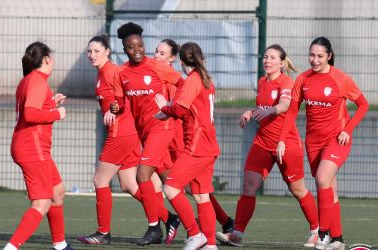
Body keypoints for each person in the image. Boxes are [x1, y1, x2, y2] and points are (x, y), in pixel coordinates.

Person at [216, 44, 319, 248]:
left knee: (297, 189)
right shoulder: (262, 82)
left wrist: (272, 110)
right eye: (265, 57)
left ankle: (317, 231)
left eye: (272, 58)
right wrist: (250, 111)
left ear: (282, 63)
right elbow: (262, 108)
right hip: (262, 142)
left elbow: (284, 105)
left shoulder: (287, 82)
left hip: (286, 144)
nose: (267, 61)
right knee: (248, 185)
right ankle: (236, 234)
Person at [276, 37, 369, 250]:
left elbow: (363, 105)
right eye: (311, 55)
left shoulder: (340, 79)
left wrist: (348, 129)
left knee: (321, 179)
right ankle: (338, 240)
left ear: (329, 56)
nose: (314, 60)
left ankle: (323, 233)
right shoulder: (303, 79)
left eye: (319, 56)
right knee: (329, 189)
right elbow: (291, 111)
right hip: (313, 142)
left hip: (337, 139)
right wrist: (281, 140)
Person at [110, 22, 181, 246]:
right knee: (175, 182)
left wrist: (172, 106)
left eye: (140, 45)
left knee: (141, 177)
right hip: (145, 133)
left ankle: (154, 229)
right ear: (125, 50)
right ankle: (193, 225)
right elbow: (121, 103)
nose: (137, 49)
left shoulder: (157, 66)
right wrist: (116, 108)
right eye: (131, 47)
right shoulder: (121, 73)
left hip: (162, 128)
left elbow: (185, 85)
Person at [154, 39, 234, 234]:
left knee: (171, 188)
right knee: (201, 196)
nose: (156, 55)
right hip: (208, 144)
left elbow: (180, 109)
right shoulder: (205, 79)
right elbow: (190, 109)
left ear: (179, 61)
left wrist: (165, 106)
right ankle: (210, 243)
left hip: (196, 146)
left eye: (161, 53)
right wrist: (170, 110)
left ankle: (194, 233)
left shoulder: (192, 80)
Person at [4, 42, 73, 250]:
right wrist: (56, 113)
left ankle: (59, 244)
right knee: (41, 203)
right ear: (46, 60)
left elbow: (34, 107)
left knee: (57, 192)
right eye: (52, 58)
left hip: (32, 147)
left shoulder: (30, 80)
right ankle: (11, 248)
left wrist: (52, 102)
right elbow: (30, 114)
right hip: (32, 149)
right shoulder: (36, 81)